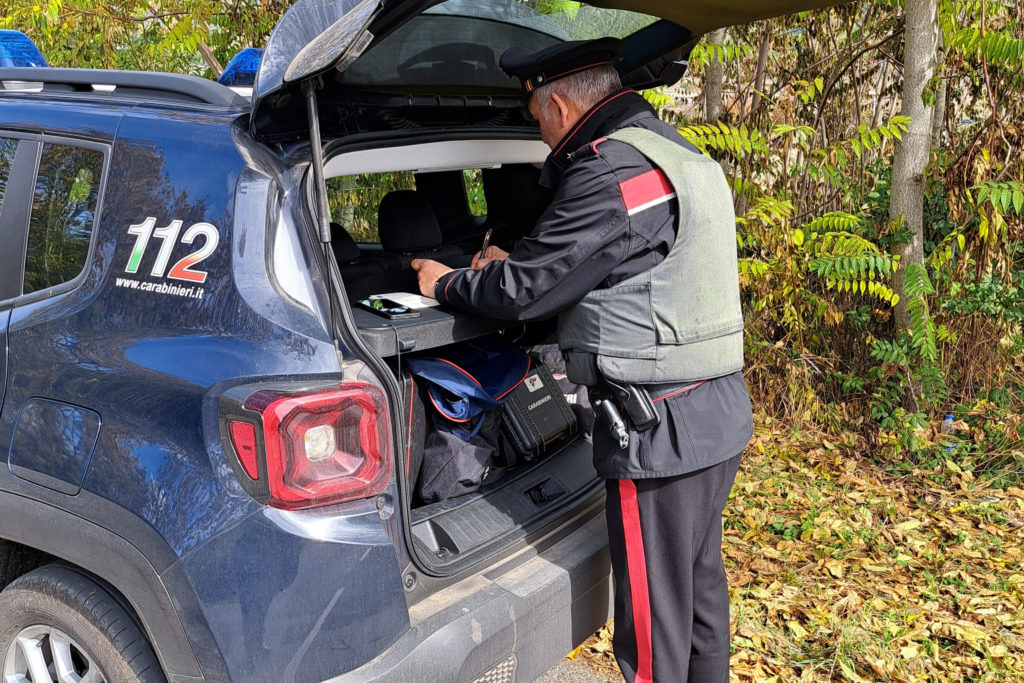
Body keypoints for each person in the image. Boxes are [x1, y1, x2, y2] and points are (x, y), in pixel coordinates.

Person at [411, 37, 753, 683]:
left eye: (538, 118)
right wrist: (518, 264)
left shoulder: (609, 173)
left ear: (562, 107)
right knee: (698, 593)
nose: (541, 135)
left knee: (653, 624)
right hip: (715, 411)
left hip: (660, 433)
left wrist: (444, 282)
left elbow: (525, 292)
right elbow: (610, 265)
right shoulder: (667, 151)